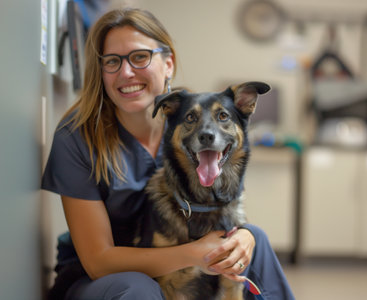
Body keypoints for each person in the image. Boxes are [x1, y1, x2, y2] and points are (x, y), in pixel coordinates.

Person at [42, 7, 295, 300]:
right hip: (101, 279)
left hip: (184, 265)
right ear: (101, 71)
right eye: (112, 61)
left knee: (255, 241)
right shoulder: (77, 137)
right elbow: (98, 262)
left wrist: (246, 236)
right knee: (140, 288)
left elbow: (222, 207)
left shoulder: (189, 122)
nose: (126, 72)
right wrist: (194, 254)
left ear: (168, 64)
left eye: (139, 57)